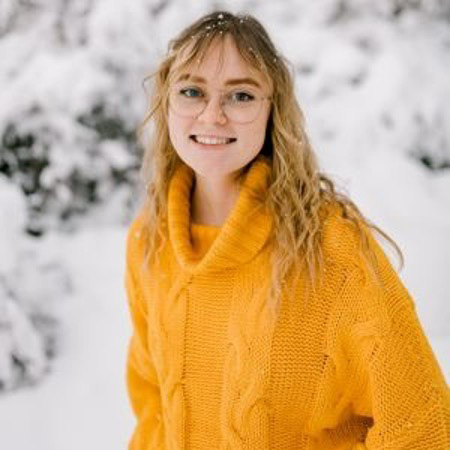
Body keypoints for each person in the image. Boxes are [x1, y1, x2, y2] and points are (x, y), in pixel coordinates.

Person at [124, 10, 450, 450]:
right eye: (191, 91)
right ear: (166, 104)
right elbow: (152, 406)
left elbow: (422, 423)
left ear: (271, 110)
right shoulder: (149, 240)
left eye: (240, 95)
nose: (213, 115)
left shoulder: (331, 247)